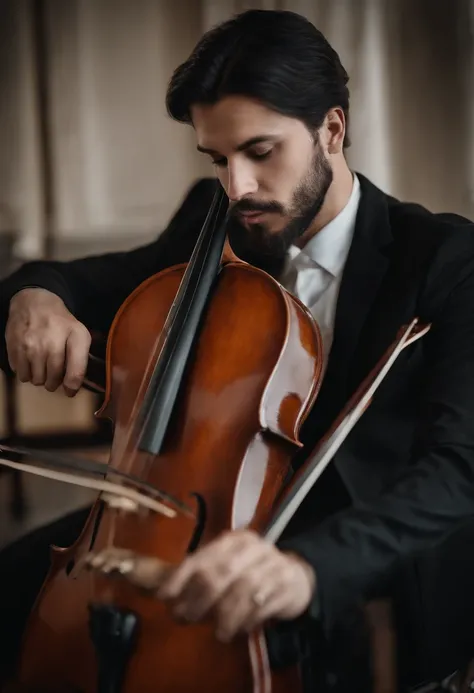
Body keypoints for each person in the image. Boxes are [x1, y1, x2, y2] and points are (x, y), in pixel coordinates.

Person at [2, 8, 474, 691]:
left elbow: (459, 468)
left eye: (260, 151)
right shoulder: (213, 225)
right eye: (217, 158)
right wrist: (36, 299)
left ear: (332, 130)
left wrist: (306, 566)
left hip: (361, 553)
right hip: (189, 518)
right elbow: (72, 280)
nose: (237, 188)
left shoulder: (444, 259)